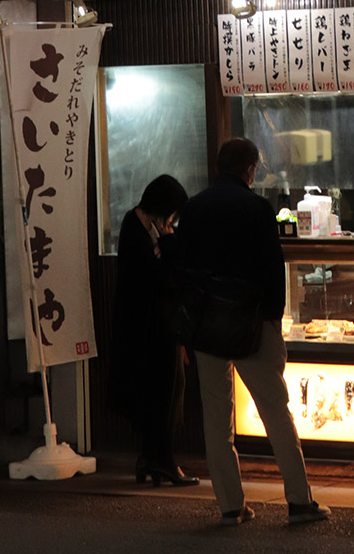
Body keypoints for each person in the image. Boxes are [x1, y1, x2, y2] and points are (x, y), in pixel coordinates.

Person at [178, 137, 329, 527]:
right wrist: (272, 321)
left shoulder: (193, 209)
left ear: (217, 166)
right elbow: (272, 270)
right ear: (250, 170)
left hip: (207, 327)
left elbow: (182, 270)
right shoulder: (257, 208)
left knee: (217, 418)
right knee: (275, 412)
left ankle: (231, 506)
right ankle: (298, 502)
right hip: (252, 325)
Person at [108, 173, 200, 487]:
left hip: (151, 326)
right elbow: (160, 277)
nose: (172, 219)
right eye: (173, 212)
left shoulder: (138, 225)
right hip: (150, 328)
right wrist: (169, 245)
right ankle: (163, 462)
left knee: (164, 392)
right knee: (164, 393)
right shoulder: (139, 230)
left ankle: (150, 459)